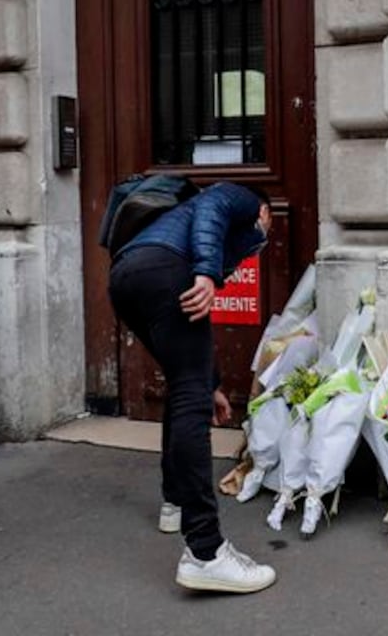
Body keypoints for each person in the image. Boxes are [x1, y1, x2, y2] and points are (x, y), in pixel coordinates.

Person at [109, 181, 276, 594]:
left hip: (126, 277)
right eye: (268, 225)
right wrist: (205, 272)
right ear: (266, 211)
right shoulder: (245, 202)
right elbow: (215, 202)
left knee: (188, 387)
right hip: (167, 270)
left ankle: (175, 503)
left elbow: (191, 359)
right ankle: (206, 551)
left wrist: (212, 384)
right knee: (189, 395)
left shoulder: (174, 231)